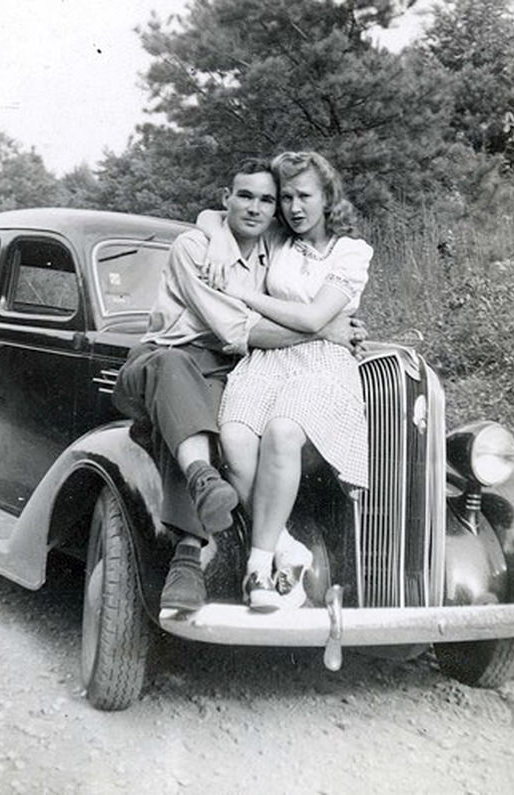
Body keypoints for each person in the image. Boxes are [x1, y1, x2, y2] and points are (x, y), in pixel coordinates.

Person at [112, 157, 364, 616]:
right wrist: (323, 330)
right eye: (245, 196)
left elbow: (307, 275)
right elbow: (236, 330)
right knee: (176, 378)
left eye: (269, 199)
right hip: (165, 356)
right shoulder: (195, 247)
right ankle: (192, 546)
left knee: (216, 425)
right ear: (226, 199)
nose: (259, 207)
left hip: (228, 367)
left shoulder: (275, 244)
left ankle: (240, 537)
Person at [198, 151, 373, 611]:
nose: (295, 208)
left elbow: (317, 317)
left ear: (328, 196)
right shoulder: (278, 237)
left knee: (281, 431)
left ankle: (258, 567)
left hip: (323, 365)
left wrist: (245, 294)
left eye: (305, 196)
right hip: (269, 359)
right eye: (288, 197)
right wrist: (217, 242)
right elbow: (213, 215)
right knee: (233, 438)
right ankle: (286, 547)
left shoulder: (351, 252)